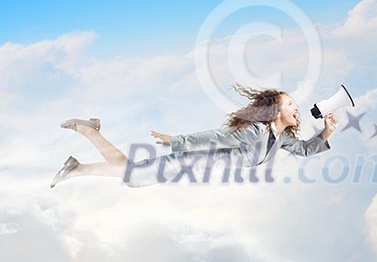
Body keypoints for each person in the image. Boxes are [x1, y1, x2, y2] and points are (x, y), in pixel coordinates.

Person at [50, 84, 339, 188]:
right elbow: (216, 136)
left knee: (131, 175)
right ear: (275, 110)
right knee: (133, 178)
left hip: (196, 170)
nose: (296, 107)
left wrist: (326, 131)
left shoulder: (281, 136)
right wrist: (176, 141)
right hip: (188, 161)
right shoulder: (255, 130)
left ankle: (79, 164)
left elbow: (303, 149)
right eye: (290, 103)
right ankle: (88, 134)